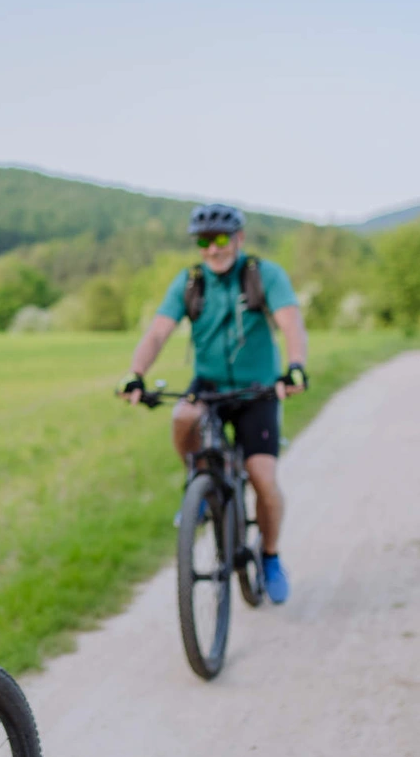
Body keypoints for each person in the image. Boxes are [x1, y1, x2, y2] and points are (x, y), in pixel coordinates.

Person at [118, 203, 308, 604]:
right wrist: (136, 372)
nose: (213, 248)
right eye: (204, 241)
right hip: (209, 385)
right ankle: (200, 488)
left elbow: (291, 322)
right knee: (183, 414)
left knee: (263, 479)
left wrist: (295, 367)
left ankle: (270, 557)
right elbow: (157, 333)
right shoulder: (190, 282)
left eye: (221, 239)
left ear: (238, 239)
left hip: (257, 389)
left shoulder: (263, 275)